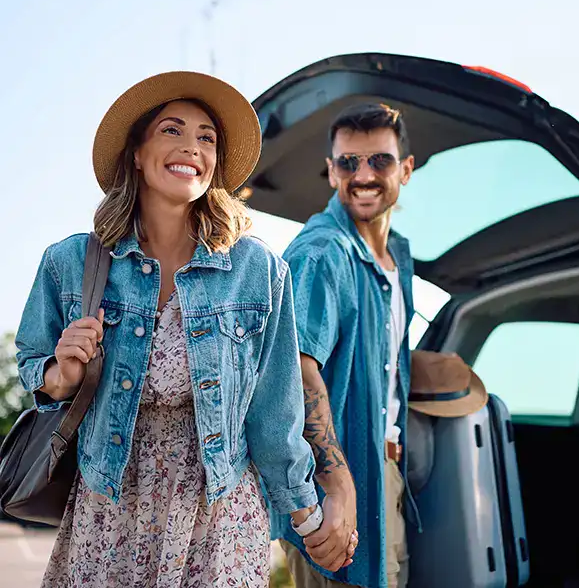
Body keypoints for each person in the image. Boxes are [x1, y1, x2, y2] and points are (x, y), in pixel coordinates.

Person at [14, 70, 355, 588]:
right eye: (172, 130)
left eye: (206, 137)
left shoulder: (259, 270)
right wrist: (58, 377)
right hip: (110, 510)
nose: (191, 147)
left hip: (220, 517)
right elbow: (32, 363)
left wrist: (308, 517)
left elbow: (273, 415)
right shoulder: (70, 263)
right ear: (136, 151)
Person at [271, 102, 416, 588]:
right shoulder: (322, 254)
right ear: (331, 172)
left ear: (406, 170)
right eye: (348, 162)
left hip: (386, 475)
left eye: (380, 160)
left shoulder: (397, 259)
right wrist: (336, 483)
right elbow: (296, 369)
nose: (363, 175)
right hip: (337, 492)